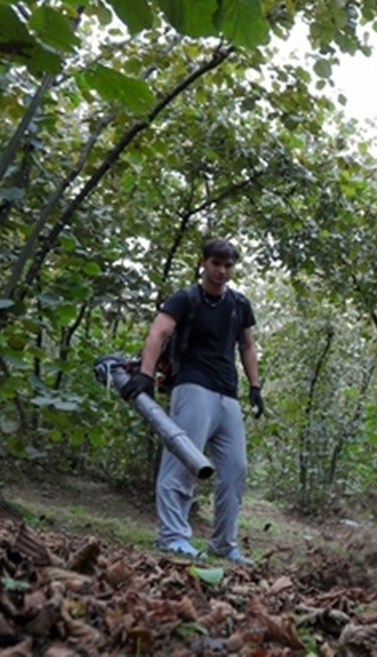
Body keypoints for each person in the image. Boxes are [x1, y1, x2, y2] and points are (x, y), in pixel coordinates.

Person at [119, 238, 265, 566]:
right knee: (183, 460)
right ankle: (172, 536)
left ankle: (223, 544)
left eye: (228, 266)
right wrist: (145, 374)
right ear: (204, 262)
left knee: (235, 469)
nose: (222, 271)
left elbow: (247, 346)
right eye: (216, 264)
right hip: (192, 385)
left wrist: (255, 386)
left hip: (228, 392)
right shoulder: (186, 299)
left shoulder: (240, 304)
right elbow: (158, 333)